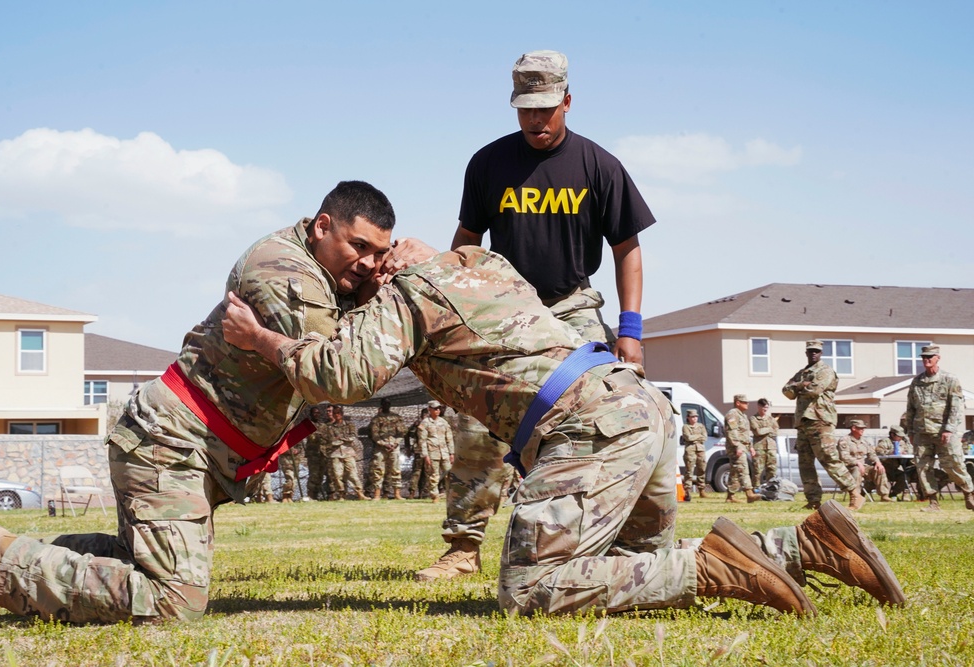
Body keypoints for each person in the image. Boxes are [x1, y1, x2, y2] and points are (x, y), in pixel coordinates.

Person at [219, 244, 905, 616]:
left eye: (367, 265)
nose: (357, 280)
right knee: (635, 559)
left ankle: (716, 566)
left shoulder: (409, 292)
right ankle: (804, 543)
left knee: (531, 587)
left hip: (590, 429)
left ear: (393, 257)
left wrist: (259, 338)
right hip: (636, 409)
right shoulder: (483, 265)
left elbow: (340, 373)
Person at [0, 180, 408, 624]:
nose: (369, 264)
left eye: (380, 253)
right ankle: (0, 561)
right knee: (173, 600)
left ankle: (7, 550)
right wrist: (387, 299)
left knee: (137, 561)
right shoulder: (283, 271)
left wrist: (366, 292)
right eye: (359, 246)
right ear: (321, 226)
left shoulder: (324, 278)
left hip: (187, 446)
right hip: (171, 443)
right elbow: (335, 374)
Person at [426, 48, 659, 581]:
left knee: (601, 414)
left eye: (545, 109)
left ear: (567, 102)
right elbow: (466, 241)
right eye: (525, 109)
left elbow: (629, 249)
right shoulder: (488, 163)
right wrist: (454, 304)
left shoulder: (599, 165)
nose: (535, 120)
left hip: (572, 306)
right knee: (475, 421)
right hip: (505, 308)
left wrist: (630, 331)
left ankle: (606, 539)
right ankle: (463, 547)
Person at [782, 340, 863, 511]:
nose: (813, 354)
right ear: (806, 353)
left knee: (828, 457)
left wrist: (799, 387)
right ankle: (813, 500)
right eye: (810, 351)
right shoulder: (802, 373)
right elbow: (786, 391)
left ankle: (854, 492)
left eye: (816, 351)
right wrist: (800, 385)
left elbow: (814, 390)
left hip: (820, 420)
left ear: (821, 353)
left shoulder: (825, 371)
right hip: (803, 421)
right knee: (805, 463)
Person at [902, 345, 974, 512]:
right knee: (923, 468)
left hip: (944, 432)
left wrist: (949, 429)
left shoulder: (949, 379)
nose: (926, 360)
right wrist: (911, 432)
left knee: (953, 465)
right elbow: (911, 408)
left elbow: (956, 407)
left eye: (930, 357)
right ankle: (933, 502)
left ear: (937, 358)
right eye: (924, 357)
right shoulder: (917, 381)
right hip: (922, 432)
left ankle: (969, 493)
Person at [319, 406, 366, 501]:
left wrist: (340, 439)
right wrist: (342, 440)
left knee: (352, 474)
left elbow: (352, 437)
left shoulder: (349, 425)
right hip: (335, 454)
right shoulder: (329, 427)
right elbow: (328, 440)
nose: (337, 415)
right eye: (335, 413)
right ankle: (341, 494)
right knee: (337, 475)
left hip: (348, 452)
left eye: (338, 413)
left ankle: (360, 493)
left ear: (342, 414)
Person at [837, 420, 890, 503]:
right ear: (853, 428)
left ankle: (884, 495)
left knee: (879, 470)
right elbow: (844, 456)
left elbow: (872, 454)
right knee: (856, 470)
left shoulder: (864, 441)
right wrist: (857, 463)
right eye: (860, 428)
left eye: (863, 428)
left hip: (863, 466)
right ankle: (856, 496)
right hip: (848, 467)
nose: (863, 430)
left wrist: (878, 463)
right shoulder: (844, 440)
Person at [367, 398, 407, 500]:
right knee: (378, 470)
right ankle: (377, 494)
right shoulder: (376, 419)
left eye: (388, 403)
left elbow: (401, 432)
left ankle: (397, 494)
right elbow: (374, 435)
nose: (386, 405)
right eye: (384, 403)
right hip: (380, 448)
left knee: (396, 470)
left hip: (394, 446)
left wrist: (396, 443)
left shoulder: (396, 418)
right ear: (381, 405)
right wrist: (384, 444)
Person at [724, 395, 761, 503]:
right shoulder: (732, 414)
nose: (747, 404)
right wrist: (737, 446)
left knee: (735, 472)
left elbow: (744, 433)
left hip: (743, 446)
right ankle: (749, 494)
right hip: (736, 447)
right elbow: (732, 431)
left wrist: (751, 447)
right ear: (738, 403)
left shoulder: (743, 416)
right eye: (744, 402)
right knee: (743, 469)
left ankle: (730, 496)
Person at [417, 401, 455, 503]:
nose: (437, 410)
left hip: (445, 453)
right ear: (429, 409)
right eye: (435, 408)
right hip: (432, 453)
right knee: (434, 475)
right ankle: (435, 496)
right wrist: (425, 455)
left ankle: (451, 496)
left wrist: (452, 453)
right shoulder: (425, 423)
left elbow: (449, 438)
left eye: (438, 408)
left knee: (449, 474)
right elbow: (422, 440)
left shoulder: (443, 422)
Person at [875, 426, 914, 500]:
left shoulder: (902, 442)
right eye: (899, 436)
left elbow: (909, 450)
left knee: (904, 476)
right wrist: (890, 452)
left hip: (895, 467)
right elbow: (878, 452)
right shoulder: (885, 442)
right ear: (892, 434)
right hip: (885, 467)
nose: (900, 438)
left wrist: (906, 452)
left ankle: (894, 493)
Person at [749, 398, 780, 484]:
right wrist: (769, 429)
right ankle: (756, 489)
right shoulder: (753, 419)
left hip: (771, 447)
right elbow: (758, 432)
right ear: (758, 406)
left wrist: (765, 430)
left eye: (767, 407)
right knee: (757, 470)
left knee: (772, 469)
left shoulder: (771, 419)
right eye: (763, 407)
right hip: (759, 447)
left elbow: (776, 431)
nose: (765, 409)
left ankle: (770, 488)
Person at [303, 405, 331, 500]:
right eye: (315, 413)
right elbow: (312, 438)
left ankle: (319, 495)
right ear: (311, 414)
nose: (316, 415)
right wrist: (319, 436)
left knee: (321, 475)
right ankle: (311, 495)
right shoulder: (308, 424)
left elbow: (328, 438)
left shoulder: (323, 426)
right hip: (313, 454)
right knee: (314, 475)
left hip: (323, 454)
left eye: (318, 413)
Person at [680, 409, 709, 500]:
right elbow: (688, 437)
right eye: (692, 417)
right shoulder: (686, 427)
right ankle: (687, 490)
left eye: (696, 416)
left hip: (700, 450)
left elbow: (704, 437)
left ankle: (702, 490)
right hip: (690, 450)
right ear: (688, 417)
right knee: (689, 471)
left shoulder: (701, 426)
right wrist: (698, 437)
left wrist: (696, 438)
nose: (695, 418)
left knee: (702, 469)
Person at [406, 408, 430, 499]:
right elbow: (408, 434)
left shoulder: (428, 422)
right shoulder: (419, 423)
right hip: (420, 450)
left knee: (425, 473)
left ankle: (423, 493)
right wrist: (408, 447)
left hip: (428, 450)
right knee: (418, 472)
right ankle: (413, 492)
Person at [278, 436, 306, 502]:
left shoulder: (296, 435)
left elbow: (300, 447)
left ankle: (290, 495)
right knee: (290, 477)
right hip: (286, 460)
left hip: (296, 460)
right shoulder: (283, 435)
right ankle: (285, 495)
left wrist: (296, 450)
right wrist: (287, 450)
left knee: (295, 479)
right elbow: (279, 447)